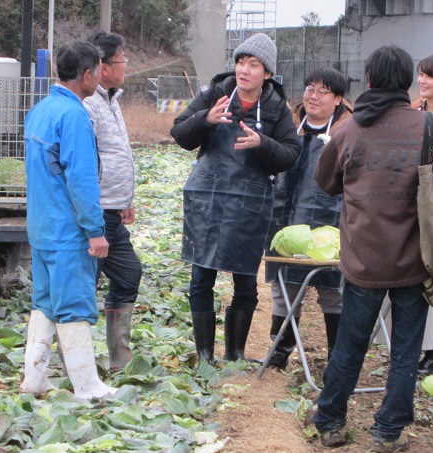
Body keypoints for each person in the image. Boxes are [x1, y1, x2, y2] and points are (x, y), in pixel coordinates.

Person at [312, 45, 433, 453]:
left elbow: (324, 181)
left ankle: (329, 421)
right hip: (414, 260)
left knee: (349, 345)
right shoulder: (429, 127)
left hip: (362, 259)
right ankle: (388, 431)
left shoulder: (349, 128)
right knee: (405, 350)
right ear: (405, 83)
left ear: (372, 80)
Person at [170, 33, 301, 364]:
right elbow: (179, 132)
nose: (244, 70)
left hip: (248, 202)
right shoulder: (216, 94)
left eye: (253, 65)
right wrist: (206, 119)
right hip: (208, 199)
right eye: (241, 62)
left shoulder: (275, 108)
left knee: (245, 280)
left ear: (267, 73)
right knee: (201, 278)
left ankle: (235, 355)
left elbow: (290, 154)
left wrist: (262, 144)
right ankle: (204, 355)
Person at [20, 40, 117, 400]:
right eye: (98, 70)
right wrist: (95, 231)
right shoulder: (74, 114)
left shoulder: (40, 110)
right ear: (88, 74)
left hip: (42, 229)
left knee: (44, 304)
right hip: (67, 231)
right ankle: (87, 386)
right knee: (74, 306)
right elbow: (81, 178)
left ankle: (34, 379)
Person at [265, 68, 353, 369]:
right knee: (284, 287)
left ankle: (336, 358)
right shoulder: (288, 124)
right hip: (286, 215)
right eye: (308, 88)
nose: (312, 96)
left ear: (338, 98)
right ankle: (280, 352)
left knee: (332, 291)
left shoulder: (348, 129)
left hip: (333, 219)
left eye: (322, 91)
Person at [377, 54, 433, 376]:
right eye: (420, 74)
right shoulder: (416, 112)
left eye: (430, 75)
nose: (423, 80)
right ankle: (408, 349)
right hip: (410, 209)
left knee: (428, 279)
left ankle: (432, 351)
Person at [84, 30, 143, 373]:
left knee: (128, 273)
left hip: (113, 211)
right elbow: (88, 162)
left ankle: (119, 359)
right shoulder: (89, 103)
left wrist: (126, 198)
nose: (126, 66)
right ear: (103, 67)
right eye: (122, 60)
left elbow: (116, 153)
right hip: (96, 212)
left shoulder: (112, 98)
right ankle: (74, 363)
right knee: (83, 285)